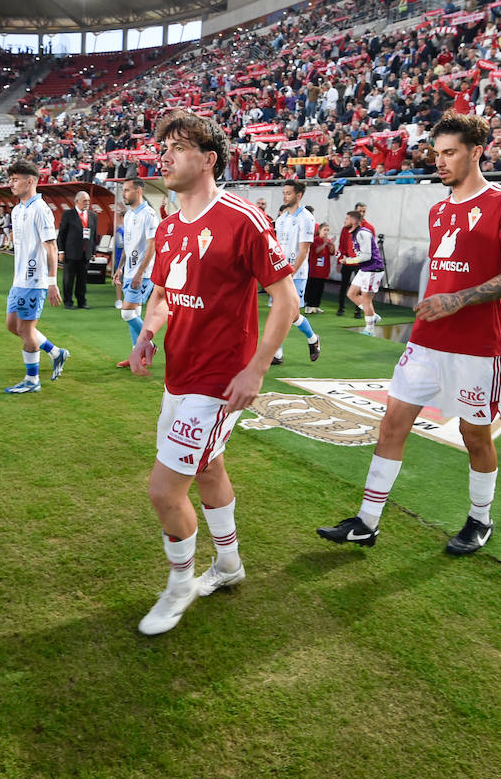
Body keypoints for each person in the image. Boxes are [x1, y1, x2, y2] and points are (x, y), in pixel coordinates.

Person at [318, 112, 501, 556]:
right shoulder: (438, 210)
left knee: (475, 437)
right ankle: (367, 522)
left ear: (476, 152)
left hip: (476, 348)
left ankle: (480, 519)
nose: (440, 162)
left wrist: (456, 300)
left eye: (450, 153)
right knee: (392, 425)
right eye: (436, 153)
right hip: (425, 341)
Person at [127, 110, 299, 635]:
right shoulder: (171, 222)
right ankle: (228, 565)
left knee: (163, 490)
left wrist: (255, 370)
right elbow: (163, 294)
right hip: (180, 373)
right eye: (163, 149)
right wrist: (148, 334)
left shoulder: (242, 218)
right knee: (209, 470)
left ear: (208, 159)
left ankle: (179, 587)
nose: (166, 157)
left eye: (178, 148)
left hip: (220, 383)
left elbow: (286, 301)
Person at [3, 159, 68, 394]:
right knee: (13, 326)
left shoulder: (40, 209)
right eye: (10, 179)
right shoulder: (18, 209)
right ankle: (55, 352)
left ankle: (32, 381)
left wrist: (52, 283)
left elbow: (51, 246)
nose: (11, 184)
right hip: (18, 279)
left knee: (27, 331)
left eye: (15, 179)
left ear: (30, 181)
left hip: (34, 280)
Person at [271, 179, 322, 363]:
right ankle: (307, 341)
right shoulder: (282, 218)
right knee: (283, 313)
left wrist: (290, 272)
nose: (285, 195)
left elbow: (304, 250)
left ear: (299, 195)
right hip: (279, 273)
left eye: (289, 193)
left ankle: (311, 339)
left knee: (289, 314)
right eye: (284, 192)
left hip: (296, 275)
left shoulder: (306, 218)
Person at [113, 178, 158, 368]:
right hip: (129, 271)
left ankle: (149, 345)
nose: (124, 194)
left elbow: (152, 246)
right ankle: (137, 356)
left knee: (127, 313)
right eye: (123, 190)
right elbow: (128, 245)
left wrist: (140, 273)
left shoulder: (148, 214)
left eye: (127, 190)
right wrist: (120, 267)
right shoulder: (130, 215)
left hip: (143, 273)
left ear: (139, 191)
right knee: (135, 313)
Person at [342, 210, 385, 335]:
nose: (345, 221)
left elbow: (366, 256)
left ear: (354, 221)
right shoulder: (355, 233)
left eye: (347, 219)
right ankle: (373, 315)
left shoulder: (362, 234)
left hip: (373, 269)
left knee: (366, 299)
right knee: (351, 293)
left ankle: (370, 330)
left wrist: (348, 261)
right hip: (365, 269)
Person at [56, 190, 97, 310]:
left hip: (85, 253)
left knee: (82, 279)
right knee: (68, 279)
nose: (87, 203)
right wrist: (61, 251)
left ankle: (82, 301)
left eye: (88, 201)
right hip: (71, 253)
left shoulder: (93, 216)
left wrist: (93, 251)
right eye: (85, 201)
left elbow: (94, 236)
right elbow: (62, 234)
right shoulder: (68, 214)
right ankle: (68, 302)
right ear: (77, 201)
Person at [304, 221, 335, 313]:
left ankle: (316, 306)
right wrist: (324, 244)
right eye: (324, 230)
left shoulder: (328, 241)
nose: (326, 232)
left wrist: (331, 244)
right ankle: (309, 306)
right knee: (313, 288)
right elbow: (317, 251)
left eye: (328, 230)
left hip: (324, 270)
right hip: (315, 270)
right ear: (320, 230)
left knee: (320, 289)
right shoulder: (315, 240)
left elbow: (332, 252)